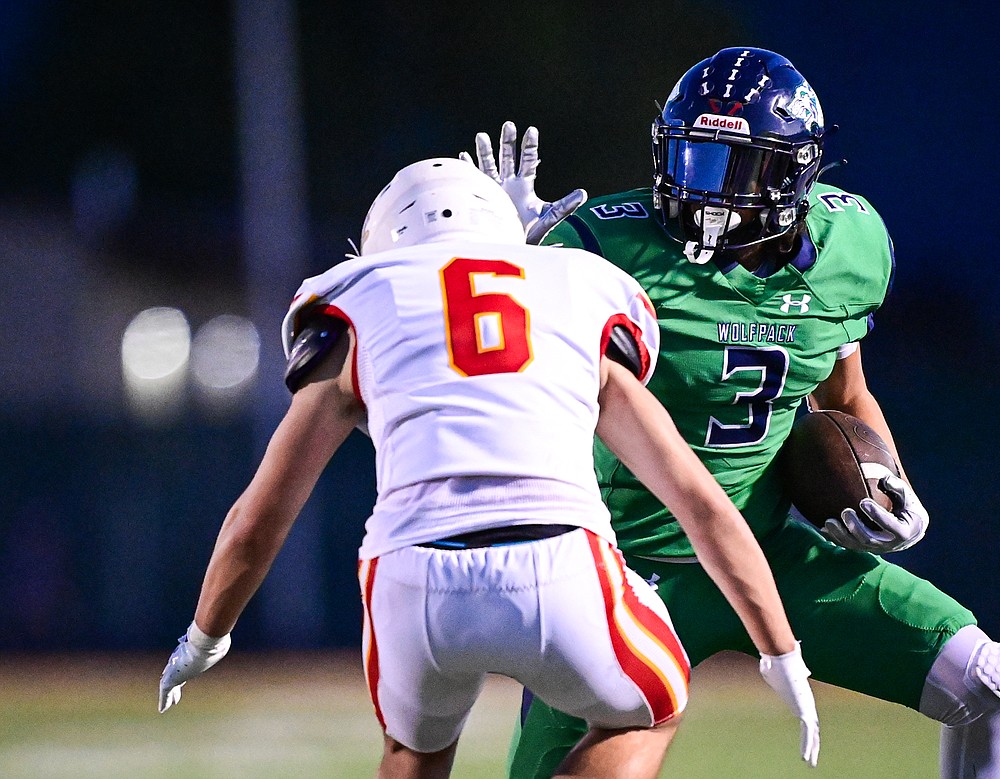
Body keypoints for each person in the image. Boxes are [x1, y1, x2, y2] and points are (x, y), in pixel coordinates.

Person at [157, 156, 821, 779]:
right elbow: (700, 502)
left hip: (411, 574)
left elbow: (259, 518)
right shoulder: (578, 291)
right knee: (654, 703)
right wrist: (780, 649)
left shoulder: (363, 304)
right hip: (560, 564)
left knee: (411, 753)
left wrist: (205, 637)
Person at [469, 47, 1000, 779]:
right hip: (621, 574)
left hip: (763, 557)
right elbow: (489, 366)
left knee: (989, 681)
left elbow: (844, 394)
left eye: (732, 164)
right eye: (691, 157)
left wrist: (889, 480)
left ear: (793, 174)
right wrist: (494, 264)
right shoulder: (600, 245)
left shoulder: (848, 247)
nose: (699, 187)